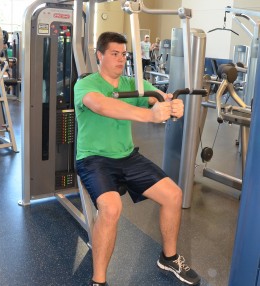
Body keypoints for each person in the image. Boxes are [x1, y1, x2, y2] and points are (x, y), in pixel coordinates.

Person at [74, 31, 201, 286]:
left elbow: (158, 97)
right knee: (111, 208)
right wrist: (149, 116)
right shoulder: (86, 84)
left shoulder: (132, 83)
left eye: (123, 54)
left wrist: (171, 105)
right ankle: (98, 281)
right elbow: (102, 106)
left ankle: (169, 257)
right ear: (100, 56)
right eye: (114, 54)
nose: (120, 59)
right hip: (94, 159)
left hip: (127, 157)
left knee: (174, 195)